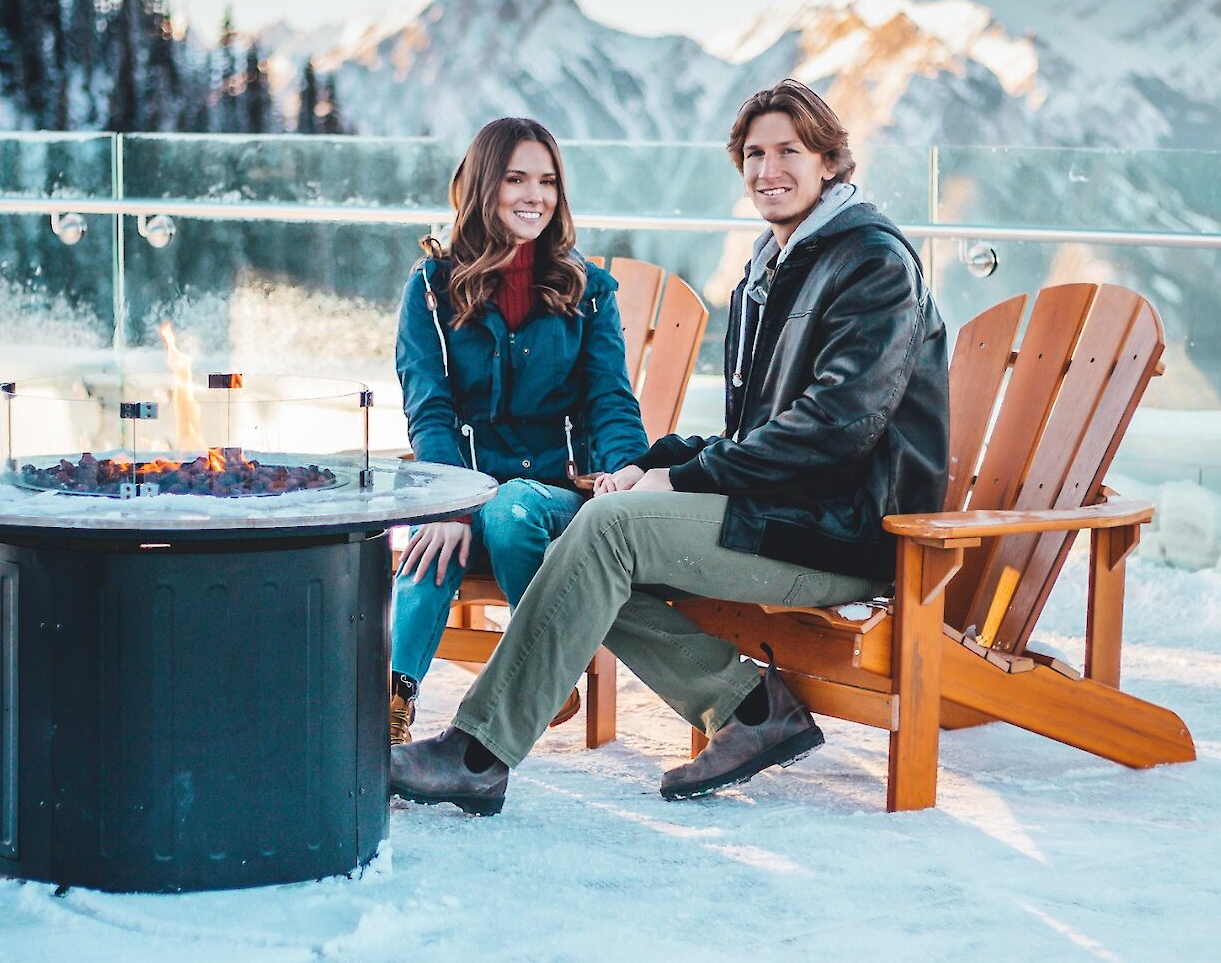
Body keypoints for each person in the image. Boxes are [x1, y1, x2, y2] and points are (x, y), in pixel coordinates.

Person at [391, 80, 950, 815]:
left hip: (840, 532)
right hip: (782, 512)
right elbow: (755, 435)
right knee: (581, 530)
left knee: (604, 532)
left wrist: (683, 477)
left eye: (789, 150)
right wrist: (651, 466)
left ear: (830, 161)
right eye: (754, 153)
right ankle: (748, 710)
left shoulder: (870, 263)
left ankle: (479, 752)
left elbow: (833, 429)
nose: (768, 169)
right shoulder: (774, 267)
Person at [389, 117, 650, 744]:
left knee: (511, 511)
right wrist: (447, 502)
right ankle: (388, 707)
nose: (535, 195)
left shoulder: (588, 292)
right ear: (484, 185)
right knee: (432, 548)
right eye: (516, 179)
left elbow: (610, 398)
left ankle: (545, 672)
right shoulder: (429, 290)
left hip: (557, 494)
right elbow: (430, 409)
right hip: (469, 485)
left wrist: (628, 471)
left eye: (548, 181)